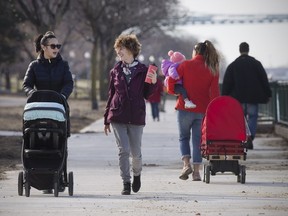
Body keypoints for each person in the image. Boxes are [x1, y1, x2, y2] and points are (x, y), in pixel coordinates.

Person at [104, 34, 157, 195]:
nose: (119, 52)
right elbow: (111, 94)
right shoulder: (115, 71)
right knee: (123, 150)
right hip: (118, 115)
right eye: (117, 49)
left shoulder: (144, 70)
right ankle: (126, 182)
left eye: (122, 49)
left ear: (131, 50)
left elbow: (147, 94)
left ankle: (137, 174)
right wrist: (106, 118)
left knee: (135, 152)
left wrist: (154, 82)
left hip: (136, 116)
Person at [22, 31, 74, 193]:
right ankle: (37, 176)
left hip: (59, 109)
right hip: (38, 109)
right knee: (36, 139)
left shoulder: (63, 65)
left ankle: (57, 176)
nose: (56, 48)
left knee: (60, 142)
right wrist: (32, 94)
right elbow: (26, 84)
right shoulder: (34, 66)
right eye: (53, 46)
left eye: (58, 46)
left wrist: (63, 96)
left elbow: (68, 83)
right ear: (44, 47)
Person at [167, 40, 220, 181]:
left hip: (184, 108)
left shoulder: (185, 64)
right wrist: (213, 111)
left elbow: (171, 80)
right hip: (202, 110)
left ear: (195, 52)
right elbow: (215, 93)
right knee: (197, 141)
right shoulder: (213, 69)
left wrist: (173, 92)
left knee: (184, 137)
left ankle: (186, 165)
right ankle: (196, 173)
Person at [222, 42, 272, 149]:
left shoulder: (233, 65)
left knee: (240, 119)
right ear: (248, 50)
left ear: (239, 50)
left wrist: (224, 97)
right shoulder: (256, 64)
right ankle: (250, 137)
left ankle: (242, 138)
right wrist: (268, 94)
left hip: (237, 99)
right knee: (253, 117)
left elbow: (227, 83)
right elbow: (264, 80)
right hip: (253, 98)